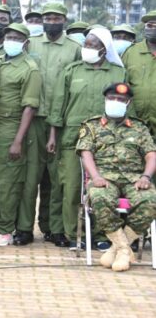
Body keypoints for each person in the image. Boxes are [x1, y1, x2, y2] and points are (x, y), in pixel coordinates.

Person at [47, 27, 127, 249]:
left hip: (107, 139)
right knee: (71, 186)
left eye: (93, 45)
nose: (88, 49)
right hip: (72, 137)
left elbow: (127, 107)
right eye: (86, 44)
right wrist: (53, 135)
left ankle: (102, 235)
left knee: (104, 186)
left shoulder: (118, 74)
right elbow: (58, 105)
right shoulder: (72, 71)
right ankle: (73, 233)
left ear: (104, 49)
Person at [77, 83, 156, 272]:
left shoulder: (139, 127)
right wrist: (95, 176)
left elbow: (151, 154)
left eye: (121, 100)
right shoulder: (92, 126)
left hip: (134, 179)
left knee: (150, 199)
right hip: (104, 178)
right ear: (105, 100)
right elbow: (85, 152)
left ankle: (118, 249)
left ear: (128, 103)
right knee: (99, 197)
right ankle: (124, 249)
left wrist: (146, 176)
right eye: (112, 98)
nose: (116, 102)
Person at [0, 24, 41, 246]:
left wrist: (18, 140)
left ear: (26, 42)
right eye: (9, 36)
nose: (11, 40)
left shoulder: (29, 68)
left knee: (7, 182)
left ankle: (5, 228)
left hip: (10, 126)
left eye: (16, 37)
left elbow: (30, 107)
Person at [26, 3, 81, 247]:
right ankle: (24, 227)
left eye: (56, 17)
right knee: (30, 176)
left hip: (62, 121)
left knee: (58, 178)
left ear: (64, 20)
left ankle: (54, 228)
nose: (51, 21)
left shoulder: (75, 49)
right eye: (47, 17)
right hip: (33, 118)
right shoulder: (31, 43)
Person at [123, 10, 156, 137]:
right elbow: (122, 84)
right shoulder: (131, 52)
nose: (153, 29)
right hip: (135, 121)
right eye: (150, 25)